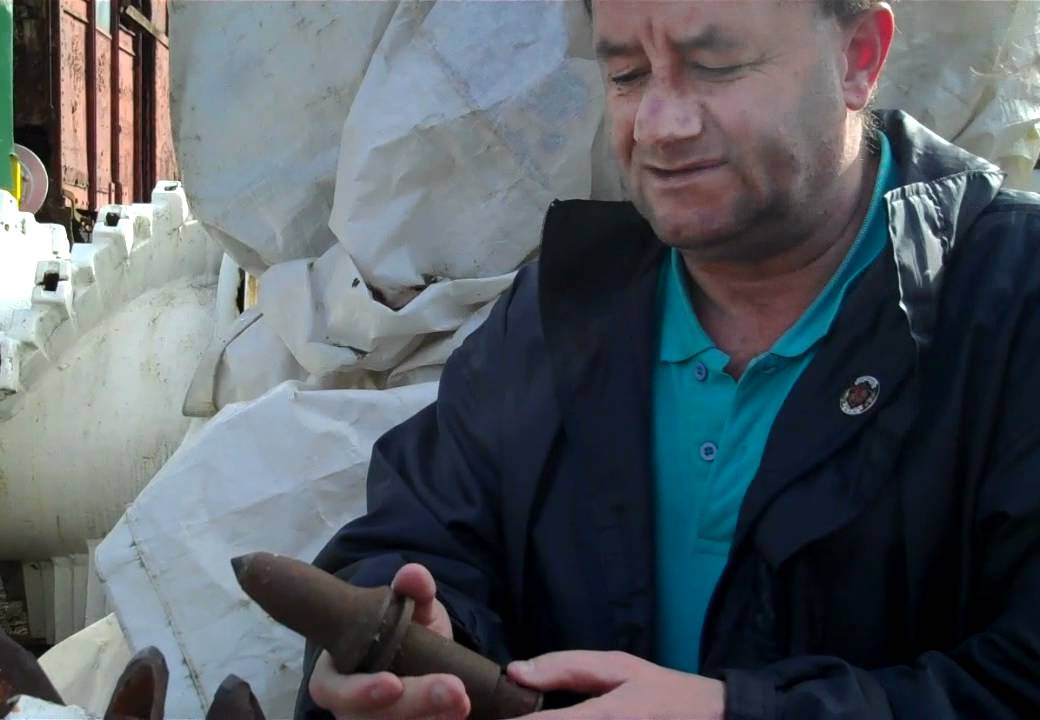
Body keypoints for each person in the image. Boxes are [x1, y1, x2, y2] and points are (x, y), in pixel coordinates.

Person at [296, 1, 1040, 718]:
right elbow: (418, 534)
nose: (659, 126)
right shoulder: (560, 311)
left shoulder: (1013, 305)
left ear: (859, 58)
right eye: (626, 75)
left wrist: (739, 714)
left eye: (715, 64)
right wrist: (416, 640)